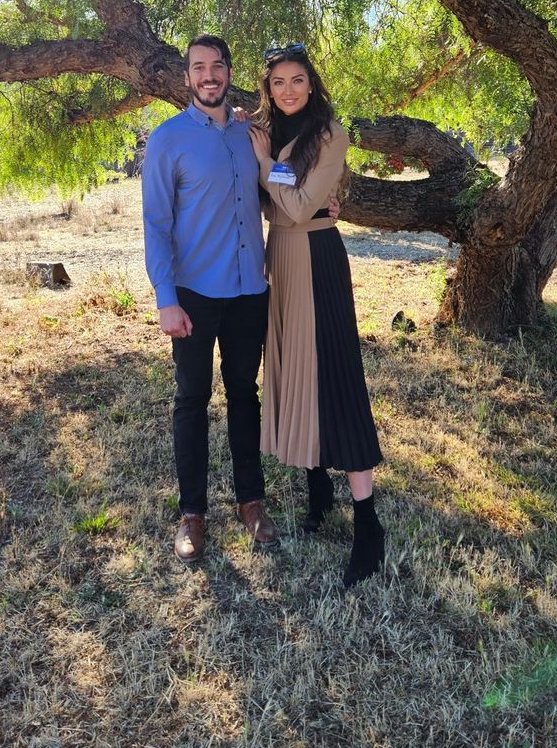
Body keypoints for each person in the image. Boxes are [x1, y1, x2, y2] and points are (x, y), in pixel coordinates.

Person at [247, 44, 385, 586]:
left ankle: (368, 526)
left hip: (318, 259)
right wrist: (271, 175)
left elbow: (302, 206)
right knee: (293, 371)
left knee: (333, 378)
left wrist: (265, 168)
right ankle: (317, 491)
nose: (288, 90)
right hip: (279, 257)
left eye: (297, 80)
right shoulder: (266, 131)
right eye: (278, 81)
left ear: (312, 83)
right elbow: (271, 204)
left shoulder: (330, 133)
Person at [142, 35, 278, 563]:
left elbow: (278, 185)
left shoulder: (251, 133)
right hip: (194, 295)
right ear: (187, 78)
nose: (208, 75)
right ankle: (192, 515)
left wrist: (325, 200)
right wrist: (165, 298)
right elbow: (156, 223)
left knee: (245, 395)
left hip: (249, 290)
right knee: (191, 401)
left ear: (228, 71)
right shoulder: (168, 139)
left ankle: (251, 504)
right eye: (199, 67)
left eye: (217, 66)